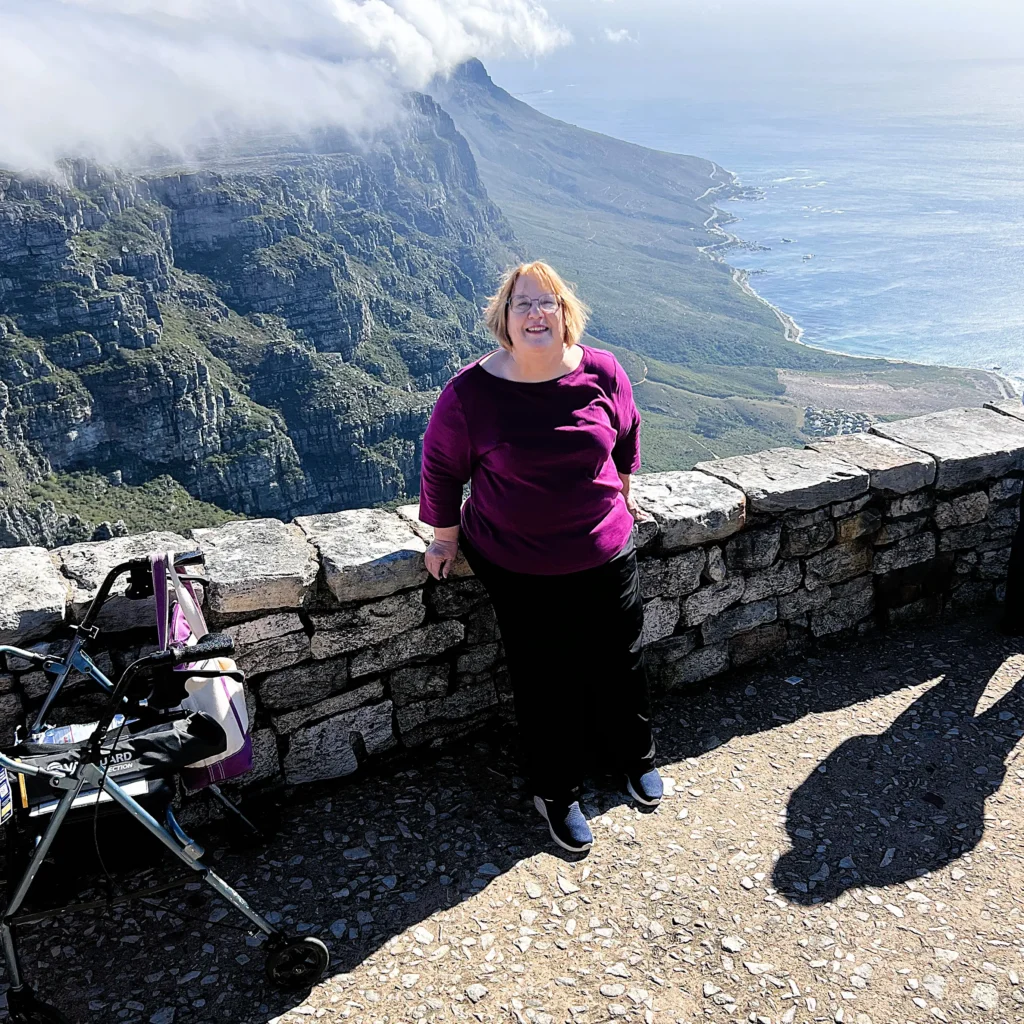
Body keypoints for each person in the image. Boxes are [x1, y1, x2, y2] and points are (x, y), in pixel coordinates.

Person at [417, 260, 661, 853]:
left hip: (605, 548)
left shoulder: (603, 372)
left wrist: (622, 494)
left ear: (565, 312)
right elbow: (444, 470)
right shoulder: (470, 393)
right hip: (518, 562)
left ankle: (632, 756)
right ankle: (557, 790)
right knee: (544, 675)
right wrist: (445, 538)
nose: (535, 313)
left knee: (619, 657)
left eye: (546, 302)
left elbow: (626, 435)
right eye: (522, 303)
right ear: (503, 317)